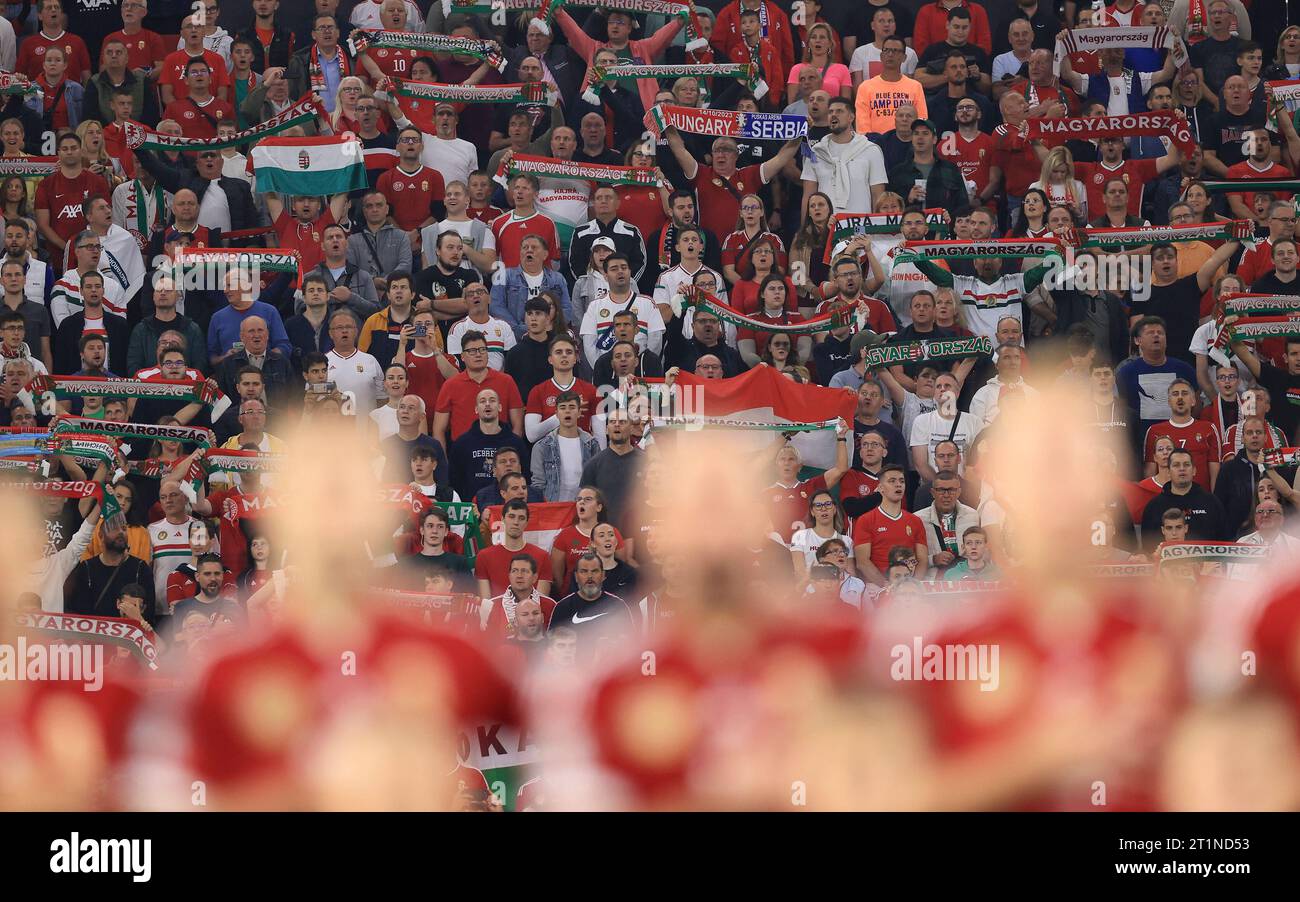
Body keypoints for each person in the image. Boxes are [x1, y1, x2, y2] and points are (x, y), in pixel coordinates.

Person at [1117, 316, 1200, 441]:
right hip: (1140, 440)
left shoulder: (1184, 370)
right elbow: (1122, 409)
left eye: (1160, 333)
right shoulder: (1126, 372)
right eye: (1150, 333)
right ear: (1137, 340)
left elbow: (1196, 403)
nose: (1156, 336)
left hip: (1179, 438)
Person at [547, 551, 638, 664]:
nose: (590, 576)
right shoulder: (562, 608)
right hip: (572, 674)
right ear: (576, 576)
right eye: (584, 571)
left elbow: (631, 646)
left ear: (603, 575)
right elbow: (550, 649)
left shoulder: (618, 606)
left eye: (594, 571)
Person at [852, 464, 928, 586]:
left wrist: (912, 585)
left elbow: (923, 560)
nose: (898, 484)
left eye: (901, 481)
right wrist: (886, 586)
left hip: (908, 586)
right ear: (881, 488)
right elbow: (862, 562)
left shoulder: (915, 521)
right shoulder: (866, 520)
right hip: (878, 586)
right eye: (892, 481)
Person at [1140, 448, 1229, 550]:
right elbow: (1148, 547)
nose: (1182, 469)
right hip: (1167, 564)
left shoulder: (1212, 503)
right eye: (1176, 465)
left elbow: (1225, 541)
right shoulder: (1154, 507)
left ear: (1194, 470)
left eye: (1186, 465)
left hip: (1207, 564)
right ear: (1168, 472)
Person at [915, 469, 980, 576]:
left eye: (951, 490)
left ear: (959, 492)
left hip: (965, 579)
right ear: (932, 492)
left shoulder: (972, 516)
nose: (946, 495)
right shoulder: (918, 519)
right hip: (934, 581)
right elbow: (910, 560)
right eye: (941, 490)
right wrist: (933, 559)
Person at [479, 555, 556, 641]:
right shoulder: (490, 606)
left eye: (525, 571)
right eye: (514, 571)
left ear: (535, 577)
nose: (519, 575)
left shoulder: (550, 605)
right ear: (509, 576)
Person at [398, 507, 472, 592]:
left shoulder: (460, 563)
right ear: (422, 530)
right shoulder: (406, 564)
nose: (435, 531)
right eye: (430, 526)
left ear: (446, 531)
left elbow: (469, 597)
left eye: (440, 526)